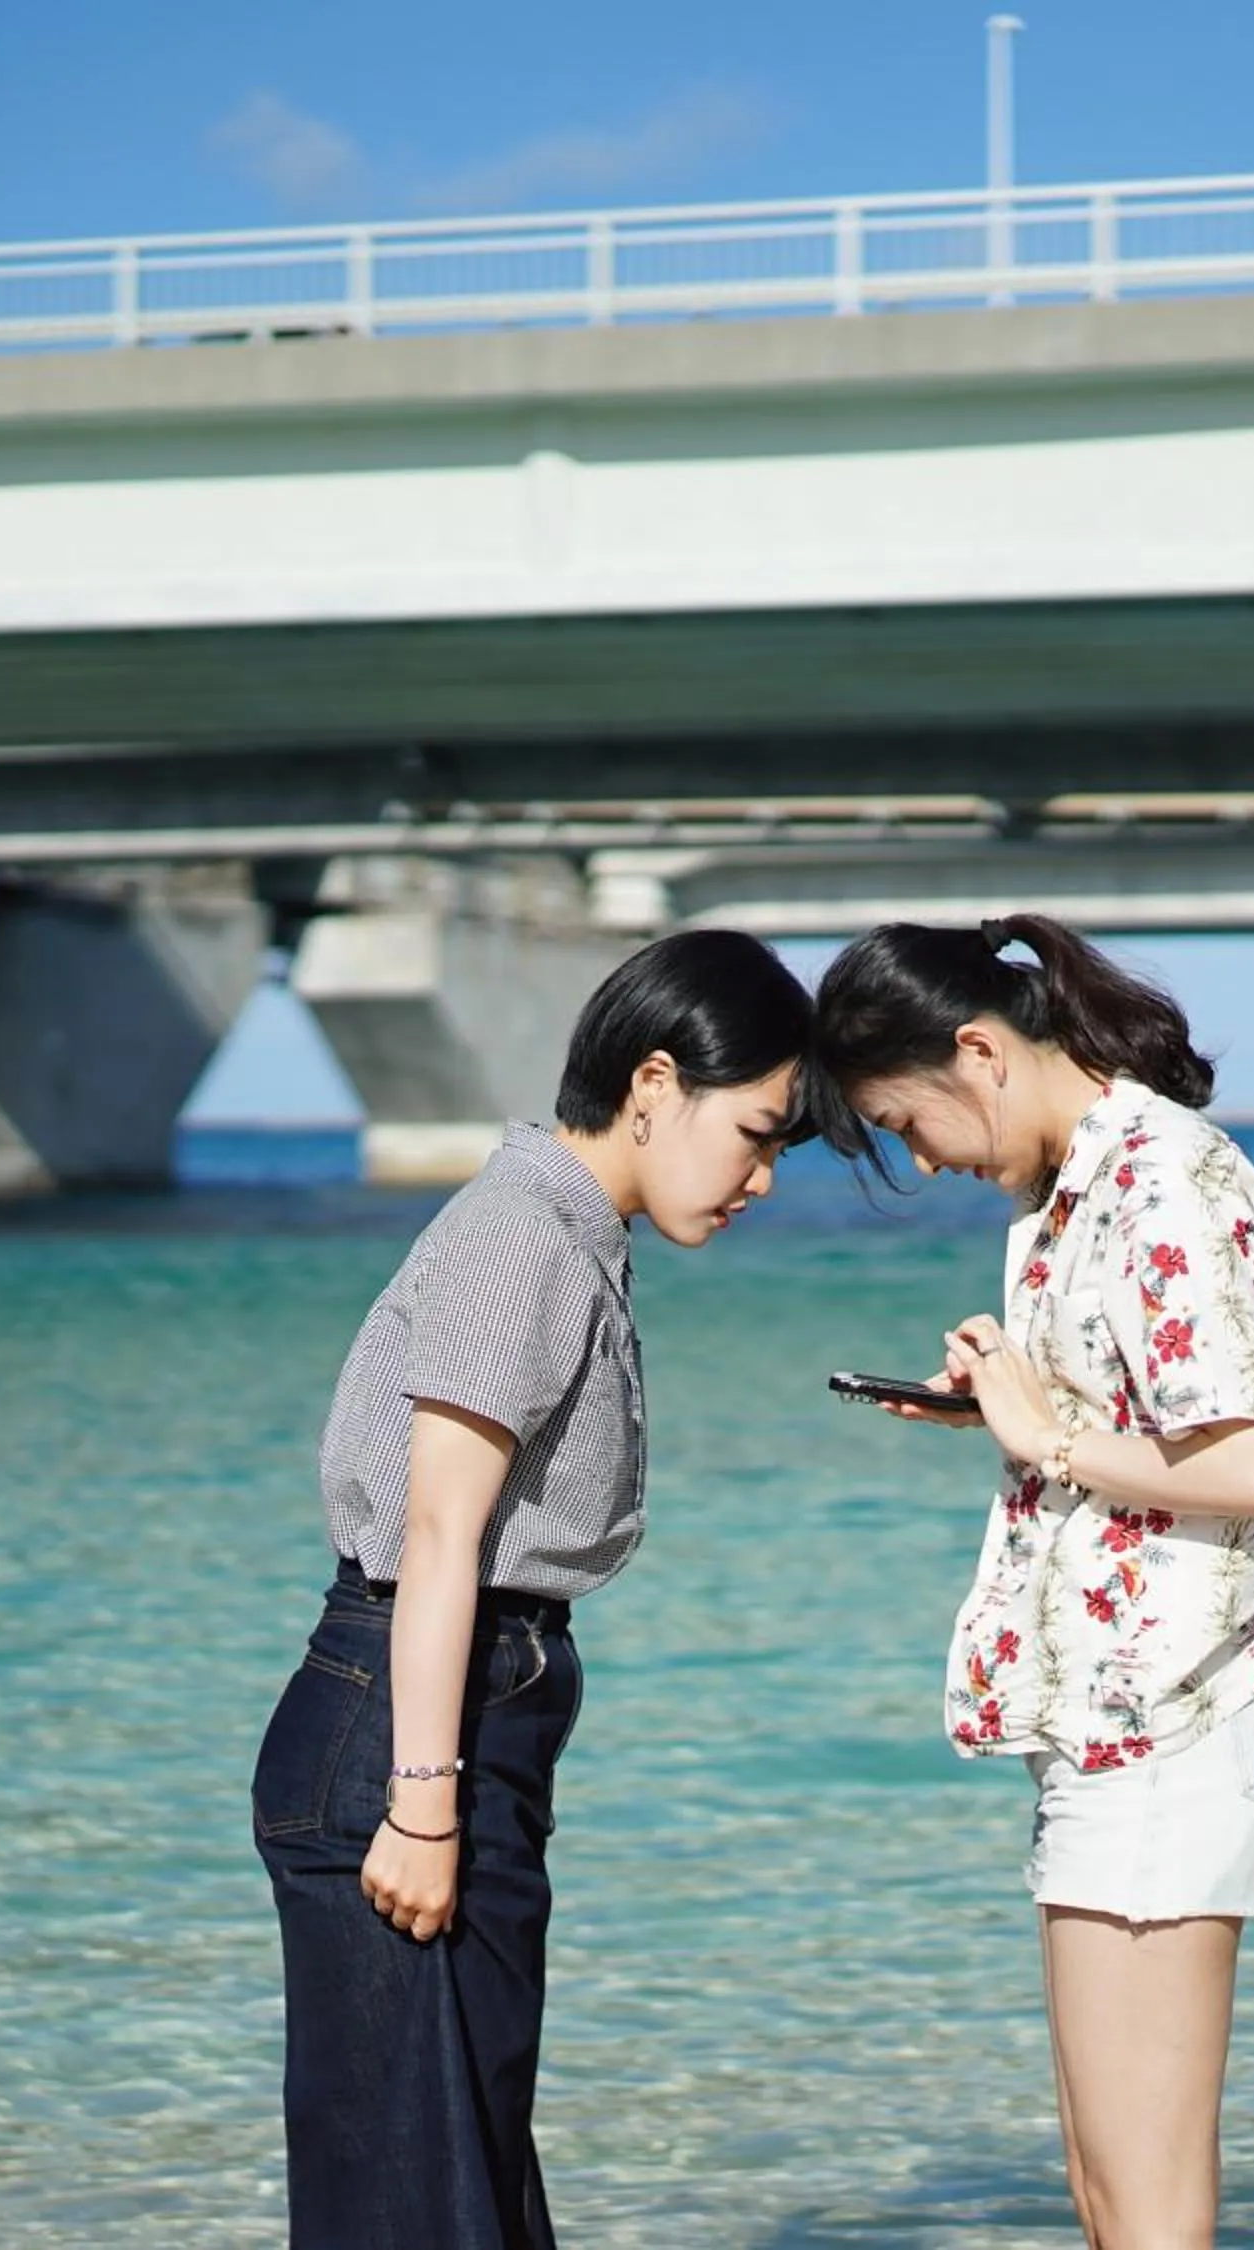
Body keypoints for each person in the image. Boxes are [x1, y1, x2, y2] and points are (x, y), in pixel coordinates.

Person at [250, 928, 813, 2250]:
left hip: (457, 1709)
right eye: (756, 1132)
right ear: (656, 1083)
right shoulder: (523, 1238)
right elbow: (441, 1533)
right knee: (414, 2201)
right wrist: (425, 1801)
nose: (764, 1178)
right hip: (409, 1722)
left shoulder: (568, 1226)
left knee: (460, 2182)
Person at [807, 913, 1254, 2250]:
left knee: (1144, 2215)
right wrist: (1017, 1408)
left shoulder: (1164, 1178)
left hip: (1175, 1721)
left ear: (978, 1052)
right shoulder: (1067, 1196)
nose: (924, 1157)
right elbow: (1161, 1431)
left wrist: (1052, 1434)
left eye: (910, 1124)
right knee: (1107, 2200)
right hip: (1113, 1724)